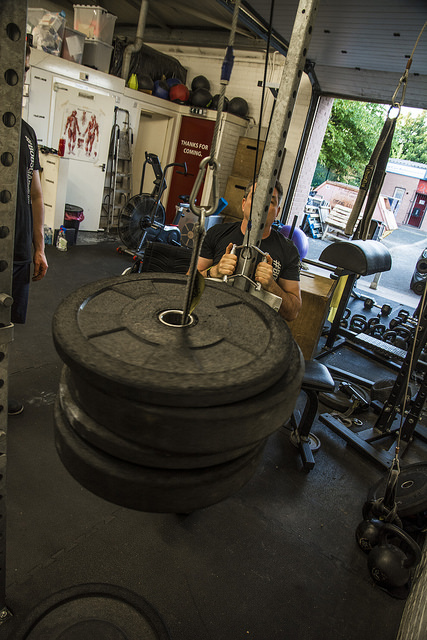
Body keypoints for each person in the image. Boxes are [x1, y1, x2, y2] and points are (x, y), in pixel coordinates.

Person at [197, 178, 302, 322]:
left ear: (277, 212)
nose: (262, 204)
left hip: (256, 326)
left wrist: (271, 286)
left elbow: (293, 312)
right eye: (256, 197)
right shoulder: (216, 233)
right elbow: (188, 281)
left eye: (270, 202)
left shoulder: (288, 251)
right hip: (211, 316)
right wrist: (214, 272)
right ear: (243, 203)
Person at [10, 44, 48, 415]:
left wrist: (40, 247)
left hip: (20, 247)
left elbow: (36, 194)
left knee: (5, 327)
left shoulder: (27, 133)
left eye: (23, 68)